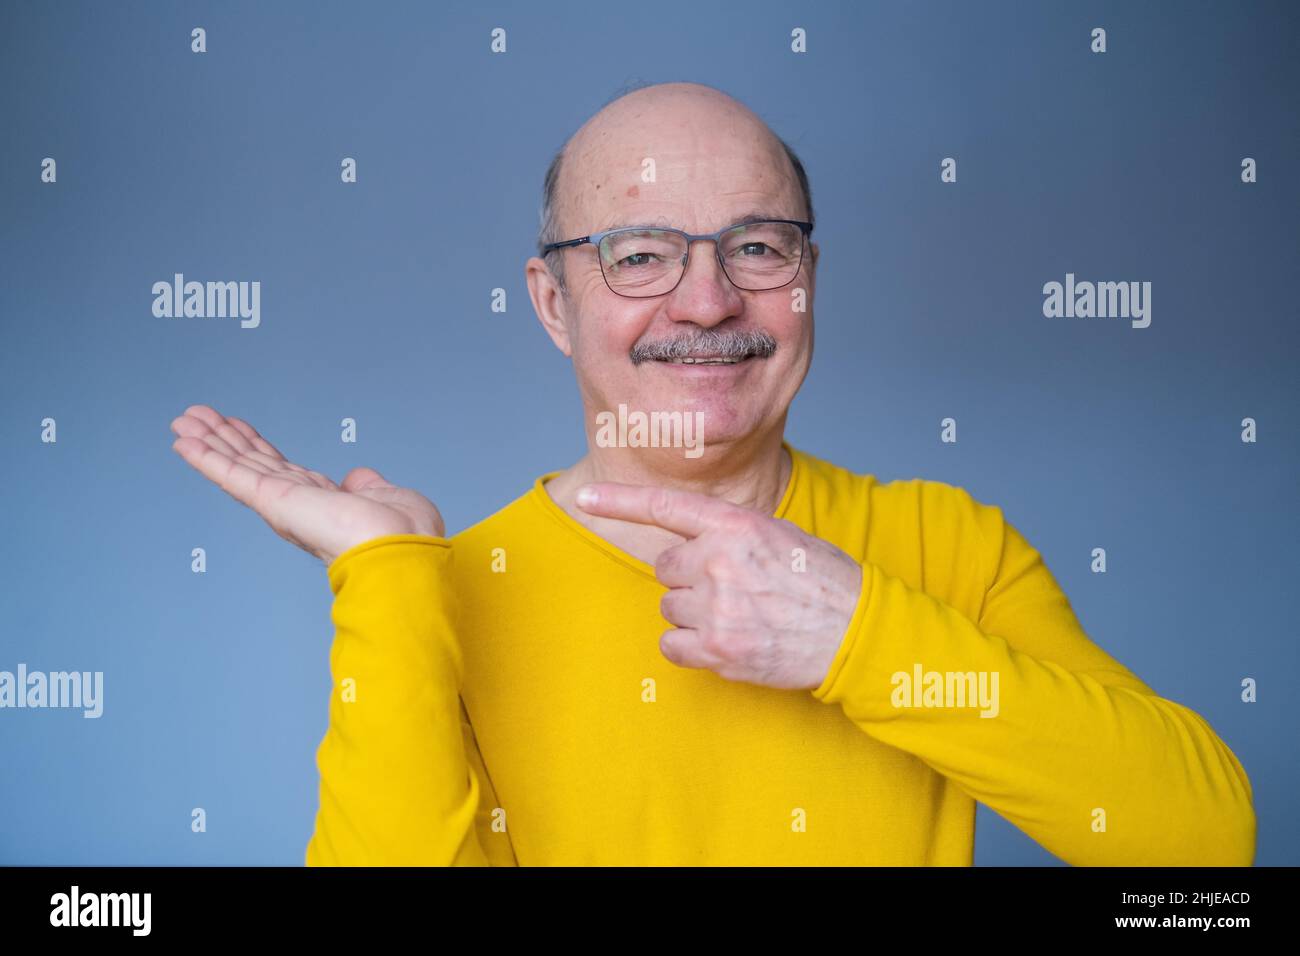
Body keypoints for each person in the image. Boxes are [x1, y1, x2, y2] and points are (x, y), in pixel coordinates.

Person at [170, 81, 1255, 866]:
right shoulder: (445, 587)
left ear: (808, 280)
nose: (705, 301)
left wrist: (857, 634)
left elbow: (1202, 845)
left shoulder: (945, 545)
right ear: (553, 303)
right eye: (639, 254)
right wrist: (386, 575)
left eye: (757, 246)